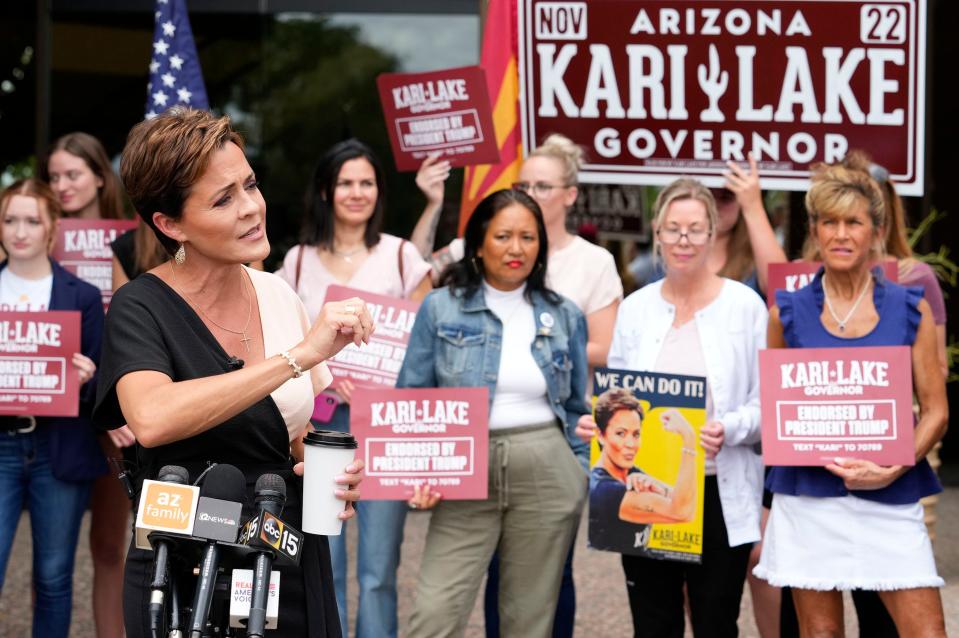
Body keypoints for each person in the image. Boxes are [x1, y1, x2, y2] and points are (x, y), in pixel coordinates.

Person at [91, 107, 367, 638]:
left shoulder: (278, 294)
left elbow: (292, 435)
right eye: (224, 199)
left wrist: (331, 475)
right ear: (170, 225)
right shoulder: (139, 306)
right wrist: (296, 357)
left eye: (251, 185)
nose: (251, 209)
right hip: (179, 565)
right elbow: (152, 418)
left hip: (283, 552)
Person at [413, 137, 623, 636]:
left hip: (546, 468)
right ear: (480, 241)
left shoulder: (564, 312)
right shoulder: (440, 308)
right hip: (465, 466)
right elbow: (413, 398)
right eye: (504, 236)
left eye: (528, 238)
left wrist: (574, 472)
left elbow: (575, 404)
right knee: (433, 614)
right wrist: (416, 474)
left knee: (528, 622)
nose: (516, 248)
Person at [754, 164, 948, 637]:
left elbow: (937, 410)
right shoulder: (786, 313)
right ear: (816, 230)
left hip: (890, 494)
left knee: (926, 632)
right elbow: (779, 409)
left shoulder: (910, 307)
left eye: (854, 222)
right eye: (829, 222)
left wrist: (895, 464)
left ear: (876, 231)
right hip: (808, 500)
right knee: (821, 633)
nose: (841, 235)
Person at [577, 178, 767, 637]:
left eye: (695, 229)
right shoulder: (637, 308)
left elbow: (768, 403)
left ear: (712, 233)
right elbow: (619, 395)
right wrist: (600, 426)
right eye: (673, 229)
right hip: (646, 488)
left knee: (716, 621)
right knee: (653, 621)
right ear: (657, 232)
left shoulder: (745, 306)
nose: (684, 240)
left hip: (719, 489)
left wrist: (731, 427)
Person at [275, 138, 431, 638]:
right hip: (319, 429)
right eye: (346, 182)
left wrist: (389, 385)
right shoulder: (297, 262)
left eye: (367, 182)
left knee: (379, 571)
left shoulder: (402, 255)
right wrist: (321, 371)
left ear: (379, 191)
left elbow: (426, 340)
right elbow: (279, 337)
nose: (356, 192)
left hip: (384, 427)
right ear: (326, 190)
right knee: (326, 564)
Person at [0, 179, 106, 638]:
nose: (19, 231)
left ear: (51, 228)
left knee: (54, 576)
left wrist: (85, 378)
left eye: (31, 220)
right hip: (1, 444)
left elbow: (106, 383)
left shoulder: (81, 296)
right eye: (9, 220)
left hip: (57, 448)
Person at [39, 131, 128, 638]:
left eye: (72, 174)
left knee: (111, 546)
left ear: (99, 176)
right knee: (52, 556)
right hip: (60, 410)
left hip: (116, 407)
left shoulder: (133, 241)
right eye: (53, 177)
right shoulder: (39, 238)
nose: (62, 185)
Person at [588, 388, 697, 552]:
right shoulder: (604, 491)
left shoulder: (630, 472)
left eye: (636, 434)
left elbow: (683, 500)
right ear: (601, 435)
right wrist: (689, 437)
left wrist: (657, 487)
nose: (631, 444)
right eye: (620, 433)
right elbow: (683, 512)